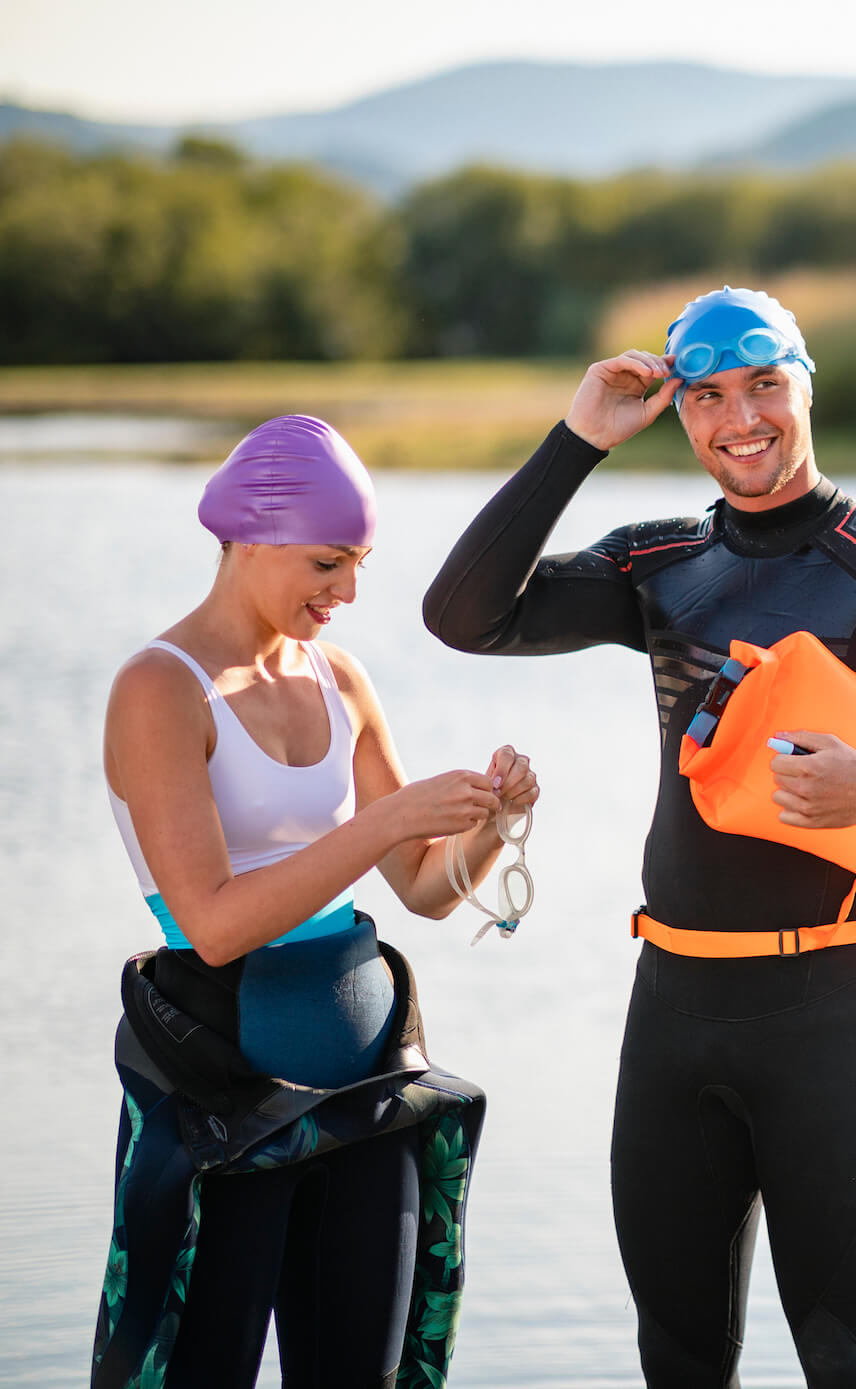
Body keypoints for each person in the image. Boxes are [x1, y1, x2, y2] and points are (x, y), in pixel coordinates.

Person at [422, 286, 856, 1386]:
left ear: (805, 384)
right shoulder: (659, 562)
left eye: (765, 386)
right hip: (671, 1005)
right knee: (677, 1356)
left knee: (841, 1361)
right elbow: (464, 617)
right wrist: (576, 440)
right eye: (708, 397)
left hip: (826, 1013)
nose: (741, 419)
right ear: (679, 413)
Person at [92, 415, 540, 1389]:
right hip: (223, 1106)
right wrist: (382, 826)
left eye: (359, 566)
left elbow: (423, 887)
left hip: (367, 1101)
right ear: (250, 537)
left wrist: (492, 823)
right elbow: (211, 925)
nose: (347, 593)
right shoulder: (160, 689)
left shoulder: (339, 678)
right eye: (328, 563)